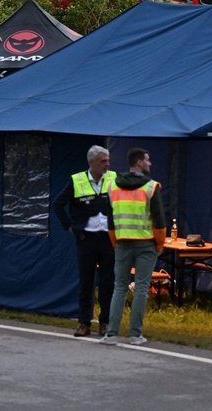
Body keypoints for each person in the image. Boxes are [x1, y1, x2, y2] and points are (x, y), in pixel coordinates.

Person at [100, 147, 167, 346]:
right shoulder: (151, 187)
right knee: (141, 288)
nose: (150, 164)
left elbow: (110, 220)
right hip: (145, 243)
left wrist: (115, 241)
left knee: (119, 286)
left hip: (121, 242)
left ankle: (111, 334)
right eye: (147, 160)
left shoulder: (112, 186)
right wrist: (160, 243)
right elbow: (159, 220)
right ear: (139, 162)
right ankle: (135, 335)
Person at [52, 145, 116, 338]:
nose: (107, 164)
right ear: (92, 162)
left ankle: (105, 323)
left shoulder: (114, 178)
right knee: (86, 282)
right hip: (86, 237)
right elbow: (58, 204)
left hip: (108, 238)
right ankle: (84, 323)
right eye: (103, 161)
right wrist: (70, 227)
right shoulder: (77, 180)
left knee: (107, 282)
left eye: (108, 161)